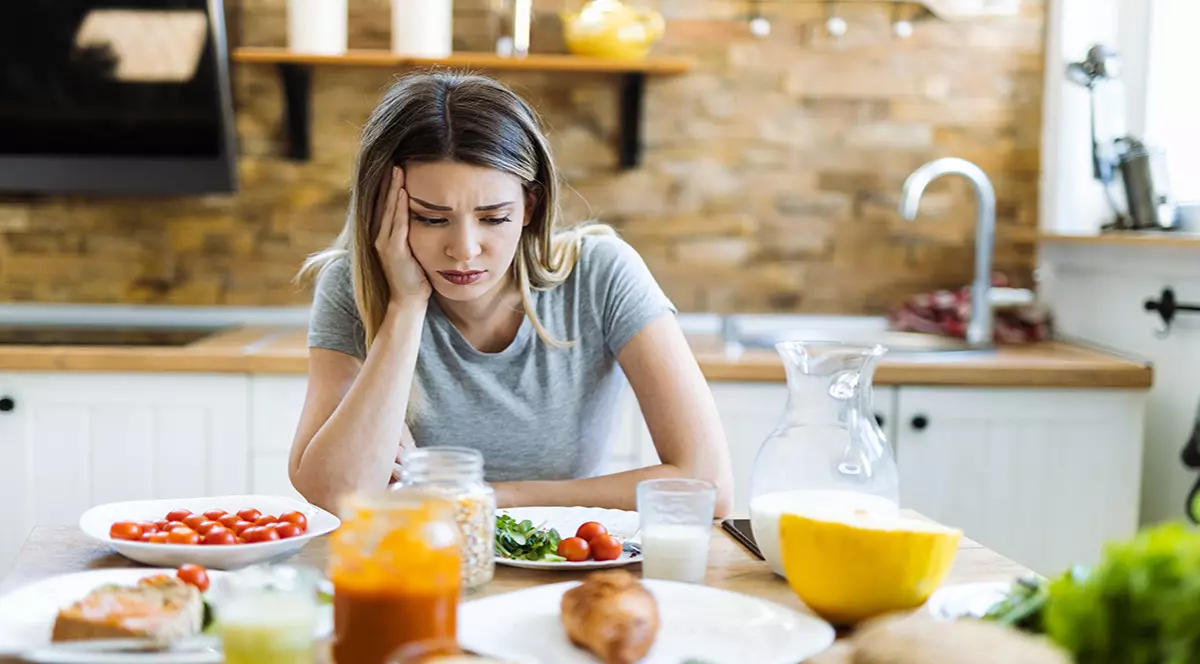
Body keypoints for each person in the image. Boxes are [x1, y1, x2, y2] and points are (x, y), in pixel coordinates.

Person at [287, 71, 734, 517]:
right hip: (416, 567)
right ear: (383, 210)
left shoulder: (601, 274)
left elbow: (708, 485)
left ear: (529, 206)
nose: (464, 249)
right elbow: (334, 495)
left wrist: (493, 497)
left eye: (493, 218)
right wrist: (404, 309)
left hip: (563, 565)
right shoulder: (352, 286)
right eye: (431, 218)